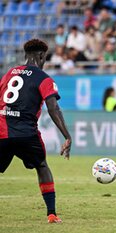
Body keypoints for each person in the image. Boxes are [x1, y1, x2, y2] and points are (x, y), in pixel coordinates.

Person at [0, 39, 72, 223]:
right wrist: (67, 136)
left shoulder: (9, 73)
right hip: (26, 133)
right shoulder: (44, 78)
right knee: (41, 166)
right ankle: (52, 214)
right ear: (42, 56)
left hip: (2, 131)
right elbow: (53, 108)